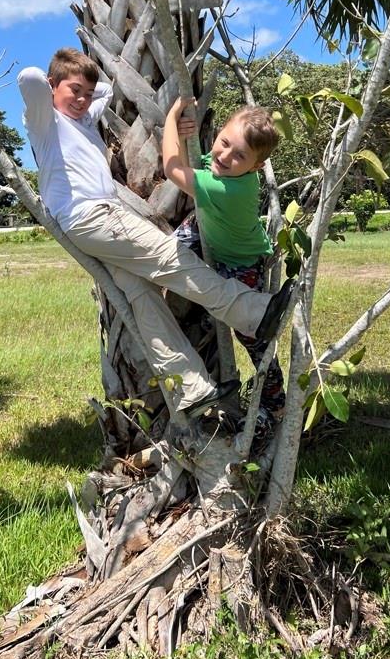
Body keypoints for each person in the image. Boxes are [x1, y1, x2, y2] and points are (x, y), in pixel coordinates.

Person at [17, 47, 292, 420]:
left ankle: (191, 389)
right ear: (53, 87)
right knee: (171, 259)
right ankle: (252, 311)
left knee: (143, 298)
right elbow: (30, 78)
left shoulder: (81, 120)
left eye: (85, 92)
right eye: (73, 90)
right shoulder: (44, 121)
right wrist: (54, 84)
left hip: (88, 224)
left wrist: (81, 85)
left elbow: (105, 91)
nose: (82, 98)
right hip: (94, 216)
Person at [162, 97, 288, 440]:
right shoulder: (222, 171)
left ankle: (276, 400)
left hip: (242, 264)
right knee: (166, 251)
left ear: (256, 167)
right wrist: (187, 136)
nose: (224, 156)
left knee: (251, 336)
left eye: (239, 156)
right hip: (206, 230)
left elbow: (173, 170)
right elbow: (196, 163)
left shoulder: (226, 187)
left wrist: (171, 120)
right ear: (218, 133)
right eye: (224, 142)